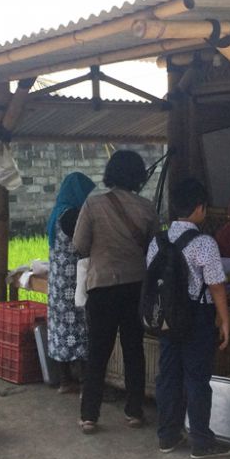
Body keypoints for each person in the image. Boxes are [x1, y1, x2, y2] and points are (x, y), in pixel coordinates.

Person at [72, 150, 160, 434]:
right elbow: (154, 249)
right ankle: (134, 411)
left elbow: (80, 246)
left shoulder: (93, 204)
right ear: (139, 175)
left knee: (98, 351)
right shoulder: (147, 208)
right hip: (136, 287)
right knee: (134, 349)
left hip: (102, 287)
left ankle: (89, 416)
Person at [151, 178, 230, 459]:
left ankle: (167, 436)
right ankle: (201, 441)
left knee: (168, 376)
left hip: (166, 318)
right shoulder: (204, 243)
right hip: (197, 316)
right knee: (197, 378)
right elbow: (216, 285)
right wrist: (225, 320)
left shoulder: (157, 241)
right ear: (199, 208)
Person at [46, 172, 96, 394]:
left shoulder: (57, 213)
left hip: (57, 282)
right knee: (80, 327)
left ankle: (65, 380)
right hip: (73, 282)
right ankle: (85, 380)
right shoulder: (73, 215)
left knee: (59, 329)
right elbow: (84, 243)